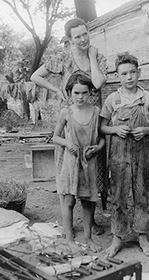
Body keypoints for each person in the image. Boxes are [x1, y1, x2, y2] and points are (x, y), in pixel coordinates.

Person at [31, 17, 107, 235]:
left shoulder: (98, 58)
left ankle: (90, 222)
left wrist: (91, 56)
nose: (83, 39)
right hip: (70, 122)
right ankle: (68, 223)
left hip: (92, 123)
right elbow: (35, 76)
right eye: (77, 37)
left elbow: (99, 83)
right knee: (69, 169)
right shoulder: (63, 58)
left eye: (85, 34)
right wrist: (55, 90)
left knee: (92, 170)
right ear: (69, 39)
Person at [100, 52, 149, 257]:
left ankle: (142, 236)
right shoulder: (112, 99)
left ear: (139, 73)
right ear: (118, 76)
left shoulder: (148, 98)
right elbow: (102, 127)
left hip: (142, 153)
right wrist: (116, 130)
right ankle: (117, 238)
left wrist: (145, 130)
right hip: (118, 155)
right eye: (124, 73)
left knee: (141, 194)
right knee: (118, 196)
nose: (129, 77)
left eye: (132, 72)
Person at [52, 72, 104, 253]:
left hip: (89, 162)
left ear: (90, 93)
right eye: (76, 93)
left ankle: (88, 238)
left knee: (89, 201)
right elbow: (55, 137)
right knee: (68, 201)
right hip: (71, 162)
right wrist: (67, 143)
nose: (80, 97)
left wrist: (97, 148)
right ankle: (69, 239)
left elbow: (102, 138)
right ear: (69, 93)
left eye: (84, 92)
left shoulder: (97, 112)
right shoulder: (66, 112)